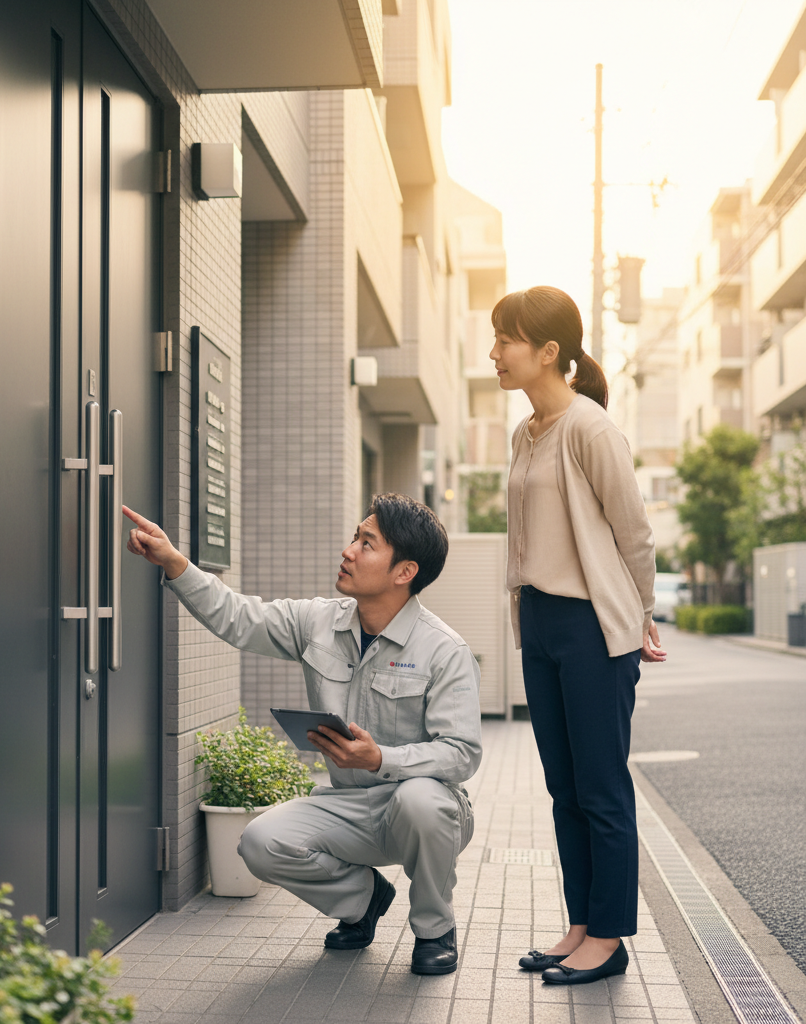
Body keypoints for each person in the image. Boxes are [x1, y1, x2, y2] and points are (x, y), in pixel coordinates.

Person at [122, 494, 481, 975]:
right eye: (355, 536)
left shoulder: (444, 650)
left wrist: (381, 759)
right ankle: (363, 902)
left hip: (423, 809)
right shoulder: (318, 622)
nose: (348, 550)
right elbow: (238, 617)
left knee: (420, 800)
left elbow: (461, 754)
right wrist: (174, 562)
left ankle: (435, 930)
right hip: (350, 805)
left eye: (366, 543)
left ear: (404, 572)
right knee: (260, 842)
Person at [489, 286, 667, 986]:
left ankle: (611, 936)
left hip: (591, 626)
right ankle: (582, 924)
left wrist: (641, 612)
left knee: (600, 788)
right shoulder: (523, 432)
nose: (496, 352)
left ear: (548, 352)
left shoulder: (589, 428)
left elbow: (634, 533)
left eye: (507, 339)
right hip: (539, 619)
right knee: (564, 788)